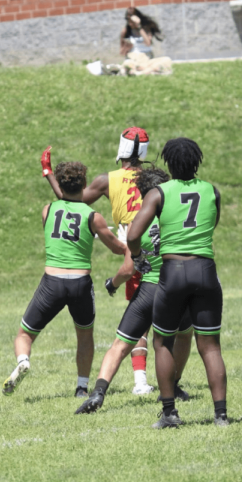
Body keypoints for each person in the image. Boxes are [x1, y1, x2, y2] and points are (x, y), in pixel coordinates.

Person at [127, 138, 228, 428]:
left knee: (162, 342)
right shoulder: (212, 190)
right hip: (205, 269)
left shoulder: (159, 192)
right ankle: (220, 415)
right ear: (197, 162)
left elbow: (134, 234)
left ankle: (169, 413)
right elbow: (212, 223)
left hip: (172, 271)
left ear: (169, 164)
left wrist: (136, 258)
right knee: (210, 346)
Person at [2, 160, 125, 399]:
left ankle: (23, 360)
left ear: (60, 184)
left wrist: (48, 174)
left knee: (25, 335)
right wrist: (126, 241)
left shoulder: (47, 210)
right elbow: (117, 248)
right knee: (85, 335)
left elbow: (64, 214)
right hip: (80, 283)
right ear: (85, 185)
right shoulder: (94, 217)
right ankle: (81, 387)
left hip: (52, 282)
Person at [76, 167, 192, 415]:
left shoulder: (138, 222)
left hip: (149, 287)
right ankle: (173, 384)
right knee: (183, 335)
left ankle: (98, 392)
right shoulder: (179, 219)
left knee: (119, 344)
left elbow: (129, 269)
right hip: (177, 288)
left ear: (141, 193)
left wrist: (112, 284)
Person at [47, 128, 154, 395]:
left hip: (135, 250)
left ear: (121, 149)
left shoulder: (107, 180)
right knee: (169, 320)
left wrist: (48, 174)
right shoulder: (156, 178)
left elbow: (69, 199)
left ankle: (140, 381)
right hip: (162, 245)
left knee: (138, 315)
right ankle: (171, 382)